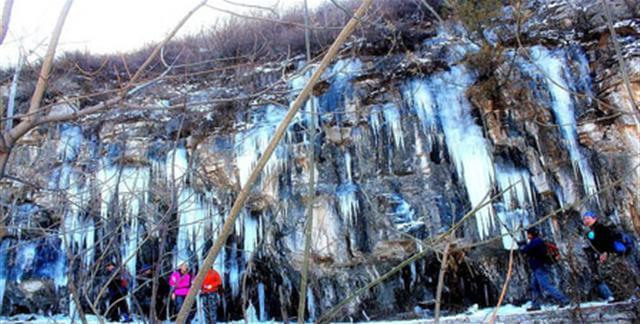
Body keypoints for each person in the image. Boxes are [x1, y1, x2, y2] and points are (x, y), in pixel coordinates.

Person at [583, 211, 639, 301]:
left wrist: (605, 252)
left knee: (615, 274)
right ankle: (619, 295)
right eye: (584, 219)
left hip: (611, 254)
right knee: (611, 275)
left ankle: (626, 294)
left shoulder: (600, 228)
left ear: (594, 218)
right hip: (606, 255)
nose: (586, 220)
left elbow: (607, 240)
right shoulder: (591, 230)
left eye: (588, 218)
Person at [519, 227, 570, 311]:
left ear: (532, 234)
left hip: (540, 267)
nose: (527, 235)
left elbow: (526, 250)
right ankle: (535, 305)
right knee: (534, 286)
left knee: (546, 285)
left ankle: (564, 299)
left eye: (528, 233)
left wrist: (522, 246)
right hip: (536, 268)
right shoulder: (535, 241)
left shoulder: (537, 241)